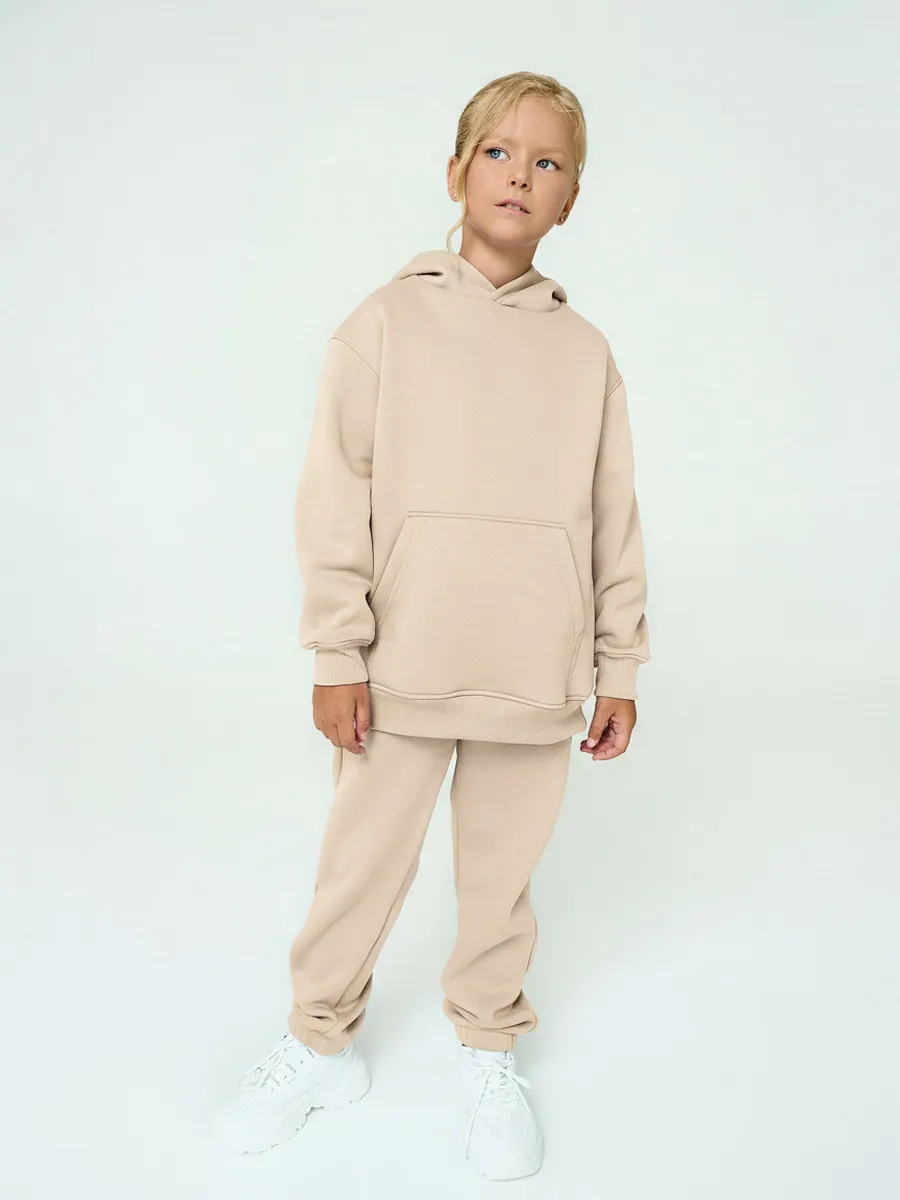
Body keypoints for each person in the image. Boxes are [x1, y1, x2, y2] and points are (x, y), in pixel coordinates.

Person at [217, 70, 651, 1182]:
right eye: (499, 152)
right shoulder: (384, 322)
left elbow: (612, 520)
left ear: (571, 199)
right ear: (457, 173)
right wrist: (337, 650)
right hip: (399, 664)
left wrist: (617, 665)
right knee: (359, 869)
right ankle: (319, 1043)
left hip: (533, 671)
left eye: (548, 162)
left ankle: (489, 1048)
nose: (521, 175)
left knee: (501, 881)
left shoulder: (585, 354)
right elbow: (334, 495)